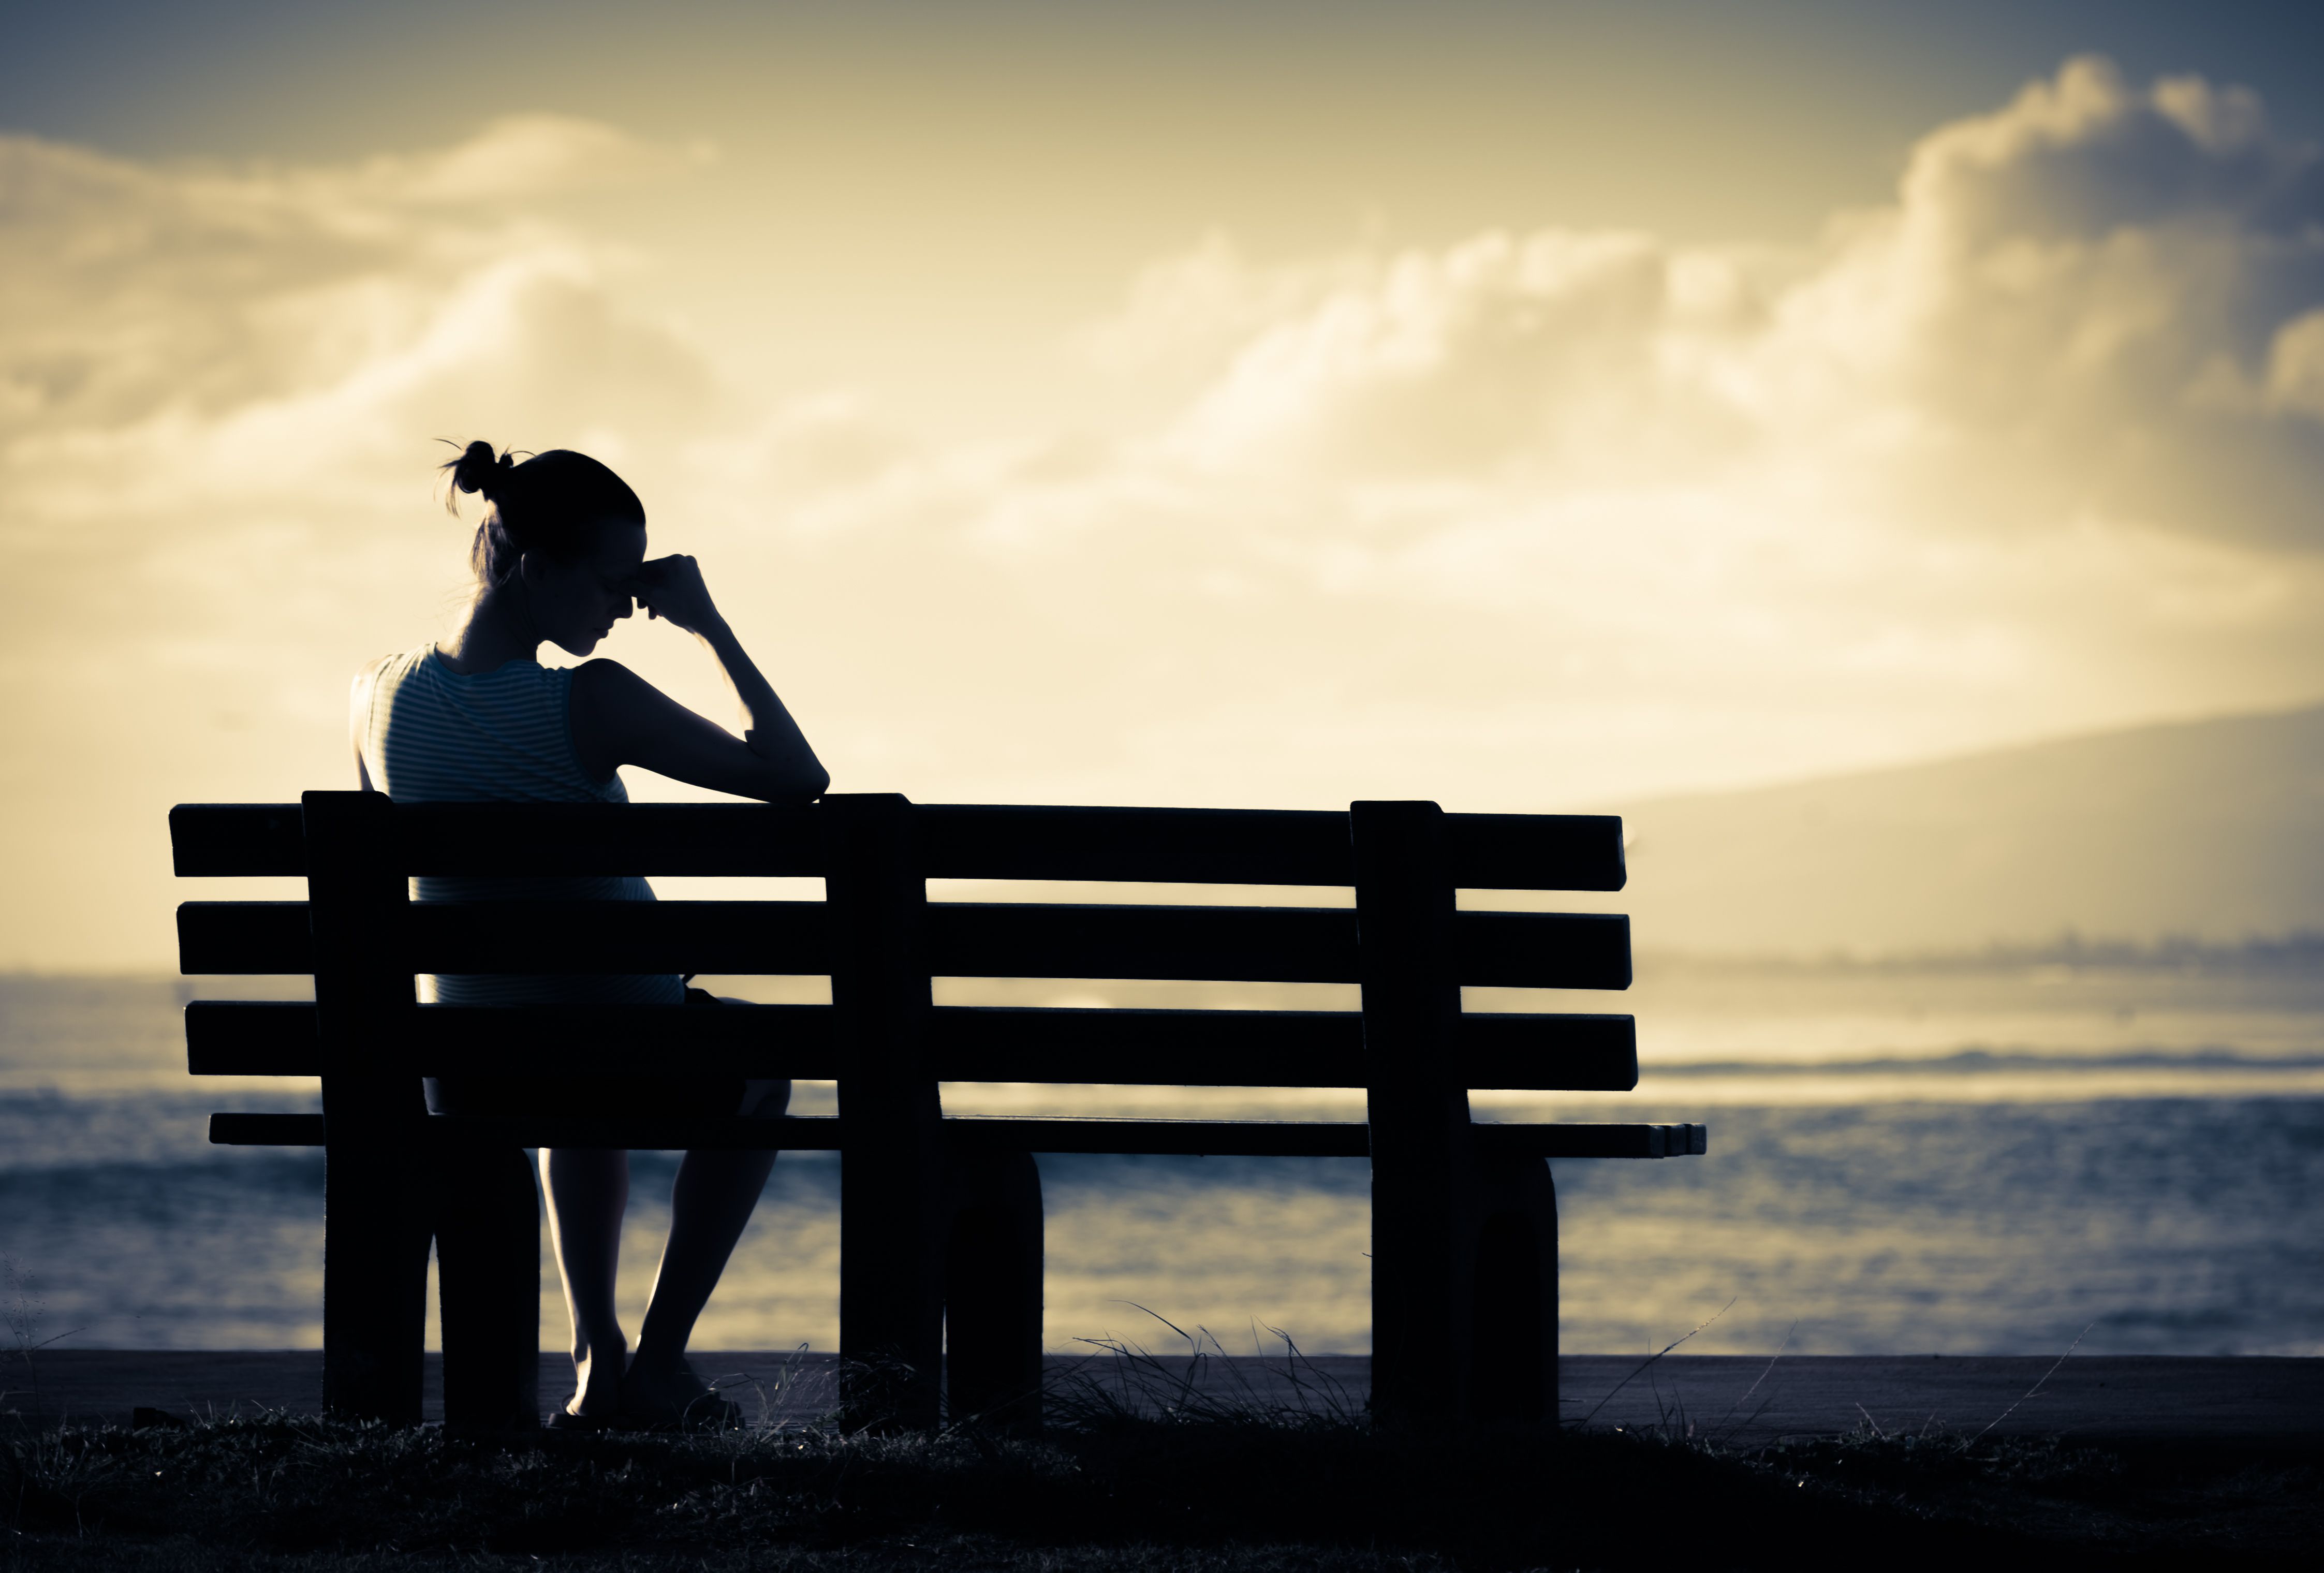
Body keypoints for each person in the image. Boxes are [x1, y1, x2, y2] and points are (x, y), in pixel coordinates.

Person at [349, 439, 828, 1430]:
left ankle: (594, 1357)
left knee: (576, 1079)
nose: (625, 610)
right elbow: (795, 776)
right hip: (617, 1048)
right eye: (613, 584)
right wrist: (710, 626)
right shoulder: (590, 698)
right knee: (764, 1067)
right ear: (535, 568)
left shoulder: (376, 694)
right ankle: (652, 1360)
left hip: (463, 1068)